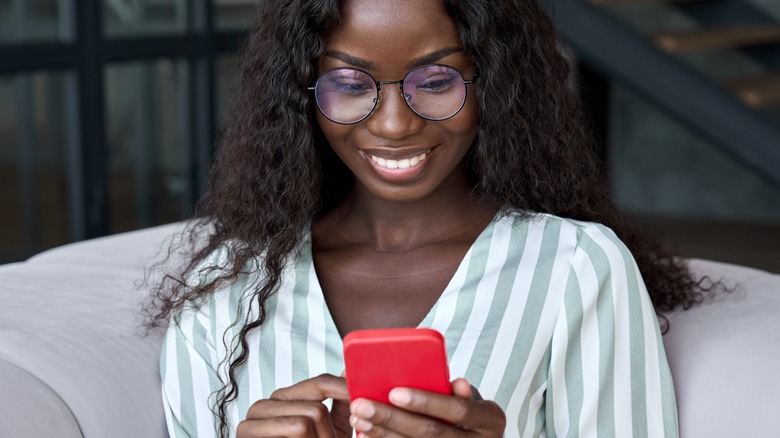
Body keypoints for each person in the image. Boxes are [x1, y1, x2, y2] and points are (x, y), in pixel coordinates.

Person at [149, 0, 711, 436]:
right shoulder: (222, 293)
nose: (394, 125)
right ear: (299, 94)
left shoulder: (577, 268)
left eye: (437, 82)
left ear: (495, 82)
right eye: (348, 85)